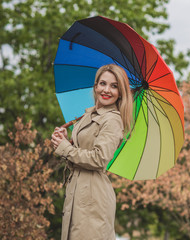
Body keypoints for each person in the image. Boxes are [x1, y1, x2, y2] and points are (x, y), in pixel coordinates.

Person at [51, 64, 133, 240]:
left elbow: (99, 159)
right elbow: (82, 149)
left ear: (120, 92)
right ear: (95, 86)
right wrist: (66, 141)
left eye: (114, 86)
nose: (107, 90)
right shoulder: (90, 115)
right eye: (102, 83)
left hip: (93, 197)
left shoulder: (112, 120)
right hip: (78, 190)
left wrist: (65, 149)